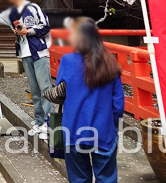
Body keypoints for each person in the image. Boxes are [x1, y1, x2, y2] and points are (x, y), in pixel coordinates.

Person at [45, 17, 124, 183]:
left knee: (79, 179)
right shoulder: (111, 64)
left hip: (74, 130)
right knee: (106, 178)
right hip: (103, 132)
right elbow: (118, 106)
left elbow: (60, 95)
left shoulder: (67, 61)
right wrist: (112, 125)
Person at [0, 0, 53, 137]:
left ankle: (49, 124)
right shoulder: (11, 13)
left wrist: (29, 31)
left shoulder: (33, 8)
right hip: (25, 54)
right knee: (35, 90)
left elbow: (45, 26)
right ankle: (39, 122)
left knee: (45, 88)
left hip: (39, 53)